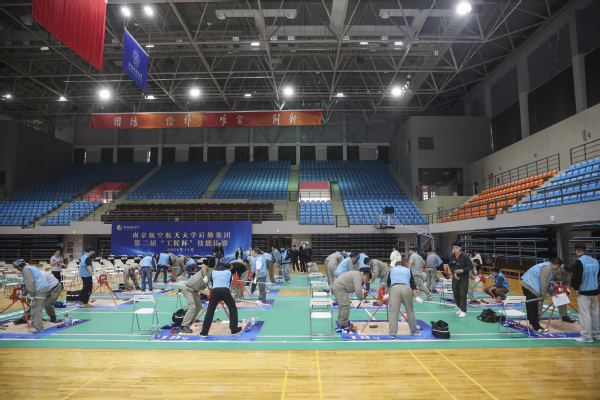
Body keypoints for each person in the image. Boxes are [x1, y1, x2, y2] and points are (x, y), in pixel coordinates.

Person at [199, 263, 243, 337]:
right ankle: (234, 330)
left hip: (215, 291)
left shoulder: (213, 272)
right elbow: (229, 283)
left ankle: (204, 332)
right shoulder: (228, 272)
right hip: (225, 291)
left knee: (210, 311)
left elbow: (212, 283)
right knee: (233, 309)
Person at [520, 257, 562, 333]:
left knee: (531, 306)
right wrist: (543, 295)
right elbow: (544, 282)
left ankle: (532, 322)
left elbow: (549, 282)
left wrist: (552, 293)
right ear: (557, 265)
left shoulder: (546, 266)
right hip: (530, 286)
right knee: (533, 307)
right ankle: (536, 327)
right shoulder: (547, 268)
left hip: (529, 284)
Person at [570, 242, 600, 342]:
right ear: (586, 251)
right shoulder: (595, 261)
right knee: (594, 314)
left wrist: (576, 288)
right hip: (595, 291)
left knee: (585, 314)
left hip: (584, 291)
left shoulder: (579, 261)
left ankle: (586, 336)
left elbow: (577, 277)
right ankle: (596, 334)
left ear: (577, 251)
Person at [386, 260, 423, 338]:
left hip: (395, 289)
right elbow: (413, 284)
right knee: (410, 310)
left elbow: (389, 283)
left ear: (396, 265)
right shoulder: (408, 270)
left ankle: (392, 333)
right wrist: (417, 297)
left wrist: (387, 294)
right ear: (403, 266)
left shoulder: (392, 269)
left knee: (394, 312)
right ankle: (413, 330)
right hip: (407, 289)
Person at [13, 259, 50, 333]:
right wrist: (22, 295)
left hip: (40, 290)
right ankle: (35, 325)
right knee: (36, 308)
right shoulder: (30, 267)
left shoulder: (25, 270)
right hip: (44, 288)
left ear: (18, 266)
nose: (17, 269)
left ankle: (39, 328)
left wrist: (32, 295)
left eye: (16, 267)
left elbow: (30, 283)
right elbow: (28, 286)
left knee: (35, 310)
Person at [179, 265, 211, 333]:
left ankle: (192, 319)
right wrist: (205, 276)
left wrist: (208, 294)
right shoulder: (208, 272)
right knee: (192, 306)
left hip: (195, 291)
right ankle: (184, 326)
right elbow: (204, 266)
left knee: (199, 306)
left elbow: (200, 289)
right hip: (188, 289)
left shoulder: (208, 281)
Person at [449, 242, 474, 318]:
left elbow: (471, 266)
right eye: (454, 248)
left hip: (464, 277)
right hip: (455, 277)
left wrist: (462, 270)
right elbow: (451, 265)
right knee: (456, 293)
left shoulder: (465, 256)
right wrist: (454, 273)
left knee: (463, 293)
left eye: (456, 248)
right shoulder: (452, 256)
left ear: (460, 248)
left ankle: (463, 311)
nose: (455, 249)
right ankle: (460, 307)